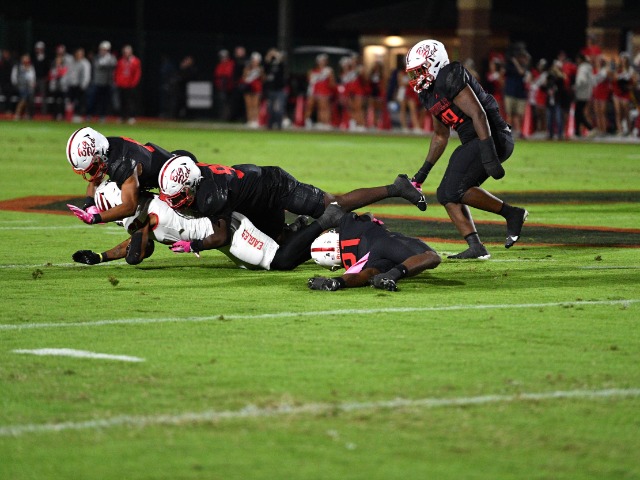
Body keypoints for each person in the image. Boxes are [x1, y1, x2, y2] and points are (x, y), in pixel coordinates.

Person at [157, 155, 427, 256]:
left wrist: (194, 245)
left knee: (334, 204)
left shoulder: (211, 197)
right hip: (256, 201)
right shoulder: (193, 171)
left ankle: (397, 188)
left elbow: (220, 237)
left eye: (179, 196)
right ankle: (300, 227)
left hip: (274, 186)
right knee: (282, 244)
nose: (177, 202)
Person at [405, 39, 528, 259]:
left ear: (434, 63)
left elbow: (478, 114)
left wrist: (489, 155)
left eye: (420, 70)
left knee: (454, 190)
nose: (416, 77)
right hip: (475, 142)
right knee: (446, 194)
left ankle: (512, 214)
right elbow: (440, 135)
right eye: (414, 72)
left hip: (492, 136)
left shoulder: (450, 75)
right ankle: (476, 246)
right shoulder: (428, 92)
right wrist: (421, 174)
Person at [70, 179, 311, 271]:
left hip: (227, 231)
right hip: (219, 241)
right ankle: (298, 229)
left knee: (278, 261)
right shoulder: (143, 212)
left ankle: (322, 229)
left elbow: (137, 254)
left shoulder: (145, 215)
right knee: (263, 260)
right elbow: (141, 241)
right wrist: (101, 257)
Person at [65, 127, 197, 226]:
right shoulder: (105, 147)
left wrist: (96, 218)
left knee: (108, 193)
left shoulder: (123, 164)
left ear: (99, 154)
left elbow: (130, 207)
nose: (91, 172)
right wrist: (89, 204)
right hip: (161, 167)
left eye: (92, 167)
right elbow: (95, 180)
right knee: (108, 191)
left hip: (178, 182)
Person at [307, 208, 441, 292]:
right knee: (432, 257)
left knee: (370, 273)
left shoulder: (352, 266)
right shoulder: (347, 225)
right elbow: (369, 215)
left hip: (370, 259)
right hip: (386, 242)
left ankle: (336, 282)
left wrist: (338, 281)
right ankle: (392, 275)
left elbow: (359, 276)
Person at [87, 41, 117, 122]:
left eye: (104, 49)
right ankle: (89, 115)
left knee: (104, 101)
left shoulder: (111, 58)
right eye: (101, 49)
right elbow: (97, 66)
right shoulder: (97, 57)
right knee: (92, 100)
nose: (102, 51)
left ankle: (102, 116)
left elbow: (112, 65)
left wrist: (104, 65)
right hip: (97, 82)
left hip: (107, 83)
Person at [304, 53, 335, 129]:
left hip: (324, 92)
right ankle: (309, 122)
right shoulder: (312, 71)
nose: (322, 62)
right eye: (321, 60)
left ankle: (325, 123)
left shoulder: (328, 70)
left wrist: (330, 90)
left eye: (324, 60)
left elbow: (332, 83)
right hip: (313, 91)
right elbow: (309, 81)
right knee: (310, 107)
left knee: (324, 108)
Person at [114, 45, 142, 124]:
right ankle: (122, 116)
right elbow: (118, 72)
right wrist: (118, 82)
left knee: (131, 102)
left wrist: (134, 83)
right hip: (122, 84)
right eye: (125, 52)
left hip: (131, 85)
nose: (126, 54)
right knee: (122, 101)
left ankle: (131, 116)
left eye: (127, 52)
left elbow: (137, 73)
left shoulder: (135, 61)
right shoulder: (121, 61)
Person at [263, 48, 287, 129]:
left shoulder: (280, 65)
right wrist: (270, 54)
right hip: (270, 89)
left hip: (279, 90)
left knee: (279, 109)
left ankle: (279, 125)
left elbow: (282, 62)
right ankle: (270, 125)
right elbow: (265, 65)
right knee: (270, 109)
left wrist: (276, 54)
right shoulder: (269, 65)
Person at [66, 47, 91, 122]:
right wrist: (67, 83)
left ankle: (78, 115)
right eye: (78, 53)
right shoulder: (72, 62)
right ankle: (69, 115)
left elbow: (86, 75)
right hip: (71, 85)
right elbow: (69, 73)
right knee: (70, 102)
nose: (79, 55)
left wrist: (83, 85)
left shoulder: (85, 63)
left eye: (81, 53)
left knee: (80, 102)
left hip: (80, 86)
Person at [573, 52, 595, 137]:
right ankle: (577, 132)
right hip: (586, 93)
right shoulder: (588, 67)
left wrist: (575, 87)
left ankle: (590, 128)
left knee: (578, 113)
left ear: (580, 59)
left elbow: (581, 80)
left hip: (581, 93)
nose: (576, 61)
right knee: (578, 113)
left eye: (577, 59)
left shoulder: (583, 68)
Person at [240, 51, 264, 128]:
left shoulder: (260, 69)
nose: (254, 62)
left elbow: (263, 79)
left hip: (256, 89)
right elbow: (244, 78)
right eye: (253, 60)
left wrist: (260, 72)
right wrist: (248, 73)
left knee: (255, 105)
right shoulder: (247, 68)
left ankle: (255, 121)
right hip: (248, 88)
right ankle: (250, 121)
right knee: (248, 105)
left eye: (256, 60)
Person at [11, 54, 36, 120]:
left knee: (29, 101)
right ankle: (17, 114)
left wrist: (32, 83)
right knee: (23, 99)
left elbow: (32, 77)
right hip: (21, 86)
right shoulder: (17, 67)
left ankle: (27, 114)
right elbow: (13, 76)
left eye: (27, 59)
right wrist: (16, 84)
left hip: (29, 87)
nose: (26, 61)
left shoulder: (31, 67)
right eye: (25, 59)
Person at [213, 49, 235, 121]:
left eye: (225, 57)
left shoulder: (231, 63)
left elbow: (227, 74)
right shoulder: (220, 65)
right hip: (220, 87)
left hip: (229, 87)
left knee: (227, 103)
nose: (223, 58)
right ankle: (222, 117)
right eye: (222, 57)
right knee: (221, 102)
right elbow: (217, 74)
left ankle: (227, 117)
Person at [32, 41, 49, 115]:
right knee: (32, 95)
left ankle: (44, 112)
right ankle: (32, 112)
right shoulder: (33, 58)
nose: (39, 50)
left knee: (43, 96)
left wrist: (46, 78)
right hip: (34, 79)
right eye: (37, 48)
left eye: (40, 48)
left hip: (43, 79)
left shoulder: (46, 58)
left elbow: (47, 69)